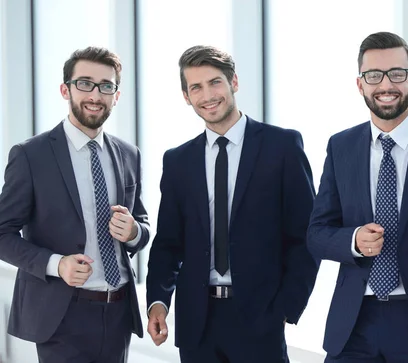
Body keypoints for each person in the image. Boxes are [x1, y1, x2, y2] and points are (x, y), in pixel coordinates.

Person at [145, 45, 319, 363]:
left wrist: (286, 309)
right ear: (186, 96)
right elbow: (168, 244)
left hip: (260, 319)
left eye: (215, 82)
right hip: (198, 322)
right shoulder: (177, 161)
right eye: (196, 87)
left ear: (233, 82)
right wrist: (158, 301)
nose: (208, 95)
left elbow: (305, 235)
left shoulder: (282, 147)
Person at [307, 31, 408, 363]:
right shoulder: (341, 147)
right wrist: (352, 240)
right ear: (360, 84)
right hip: (354, 322)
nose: (385, 84)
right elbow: (316, 234)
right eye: (373, 75)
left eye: (397, 74)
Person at [0, 46, 150, 363]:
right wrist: (57, 264)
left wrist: (134, 231)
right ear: (65, 89)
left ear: (116, 95)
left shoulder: (128, 153)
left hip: (118, 311)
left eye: (106, 86)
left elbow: (142, 224)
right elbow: (2, 234)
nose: (95, 94)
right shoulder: (31, 155)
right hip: (61, 315)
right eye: (85, 83)